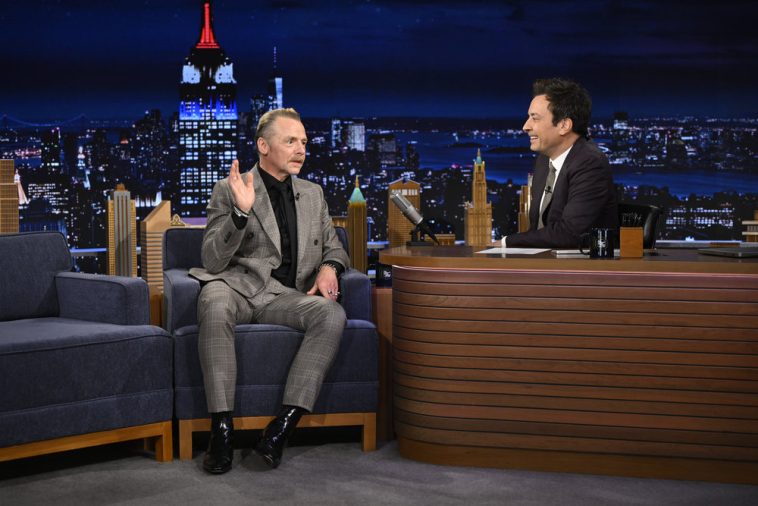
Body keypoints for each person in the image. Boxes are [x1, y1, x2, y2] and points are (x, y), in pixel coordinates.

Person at [189, 108, 350, 474]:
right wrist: (240, 214)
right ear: (263, 146)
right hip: (238, 288)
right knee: (213, 299)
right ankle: (221, 430)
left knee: (331, 314)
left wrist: (331, 267)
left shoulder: (313, 194)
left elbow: (334, 246)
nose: (301, 149)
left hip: (286, 297)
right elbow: (212, 260)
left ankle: (281, 428)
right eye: (290, 141)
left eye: (304, 142)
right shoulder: (230, 188)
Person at [500, 78, 617, 248]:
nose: (525, 126)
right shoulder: (543, 161)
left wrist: (506, 242)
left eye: (535, 118)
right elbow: (538, 230)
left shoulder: (590, 164)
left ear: (564, 125)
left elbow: (568, 234)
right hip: (544, 259)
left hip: (578, 263)